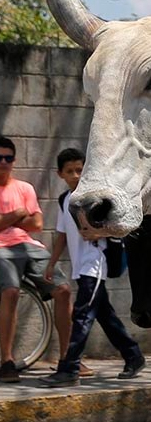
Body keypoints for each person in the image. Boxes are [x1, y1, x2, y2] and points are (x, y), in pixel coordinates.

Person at [40, 149, 145, 387]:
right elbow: (62, 235)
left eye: (80, 169)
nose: (76, 175)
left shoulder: (92, 199)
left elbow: (112, 228)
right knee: (105, 316)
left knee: (82, 314)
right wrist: (52, 262)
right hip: (80, 266)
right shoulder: (65, 200)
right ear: (60, 174)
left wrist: (95, 232)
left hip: (95, 263)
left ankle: (69, 368)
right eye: (70, 171)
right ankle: (133, 355)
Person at [0, 137, 74, 383]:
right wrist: (19, 213)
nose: (4, 162)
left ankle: (67, 359)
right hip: (1, 249)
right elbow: (27, 219)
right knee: (10, 291)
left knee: (63, 290)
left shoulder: (25, 189)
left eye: (8, 158)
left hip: (29, 246)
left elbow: (38, 224)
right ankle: (7, 361)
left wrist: (8, 219)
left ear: (14, 160)